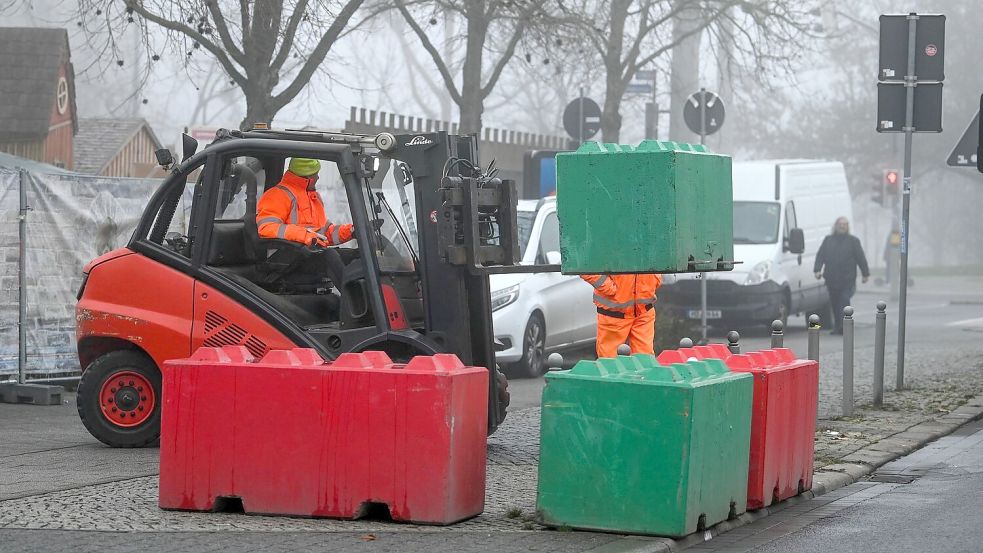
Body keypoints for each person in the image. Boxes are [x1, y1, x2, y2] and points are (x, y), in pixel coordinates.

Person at [581, 273, 662, 358]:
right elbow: (583, 264)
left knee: (645, 361)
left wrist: (655, 279)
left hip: (644, 312)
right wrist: (607, 287)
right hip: (614, 314)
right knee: (610, 363)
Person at [814, 217, 870, 335]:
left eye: (845, 224)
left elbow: (861, 258)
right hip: (831, 278)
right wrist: (817, 270)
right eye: (840, 224)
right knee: (834, 303)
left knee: (844, 301)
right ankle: (838, 326)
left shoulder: (853, 241)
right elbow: (820, 256)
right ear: (836, 226)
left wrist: (865, 274)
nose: (842, 226)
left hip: (847, 279)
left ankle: (846, 326)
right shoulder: (828, 240)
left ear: (848, 226)